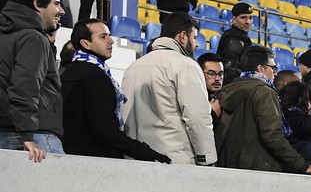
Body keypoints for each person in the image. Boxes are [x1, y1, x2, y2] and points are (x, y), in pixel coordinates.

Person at [60, 19, 170, 161]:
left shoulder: (67, 72)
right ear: (85, 43)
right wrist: (142, 151)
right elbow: (105, 129)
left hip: (72, 158)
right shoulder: (96, 77)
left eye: (109, 36)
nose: (111, 41)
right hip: (96, 161)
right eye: (103, 37)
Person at [216, 46, 311, 175]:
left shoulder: (230, 88)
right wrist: (302, 165)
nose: (275, 73)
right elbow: (272, 136)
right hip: (255, 168)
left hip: (228, 165)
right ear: (260, 68)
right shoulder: (264, 91)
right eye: (273, 68)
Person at [121, 13, 215, 165]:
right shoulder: (186, 65)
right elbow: (197, 117)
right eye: (195, 37)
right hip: (173, 161)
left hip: (135, 159)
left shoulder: (133, 67)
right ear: (183, 36)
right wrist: (207, 159)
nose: (197, 44)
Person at [0, 0, 65, 160]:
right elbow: (25, 85)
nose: (61, 11)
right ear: (38, 4)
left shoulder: (9, 34)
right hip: (33, 137)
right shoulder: (33, 38)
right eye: (56, 4)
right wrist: (27, 134)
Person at [197, 53, 224, 132]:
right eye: (211, 74)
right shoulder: (193, 98)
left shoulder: (225, 97)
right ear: (200, 74)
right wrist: (213, 114)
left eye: (220, 74)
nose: (217, 78)